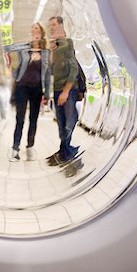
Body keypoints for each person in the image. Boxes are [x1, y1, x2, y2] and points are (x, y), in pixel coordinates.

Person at [6, 22, 50, 161]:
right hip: (22, 86)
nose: (33, 31)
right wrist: (4, 50)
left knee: (34, 119)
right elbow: (8, 47)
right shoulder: (25, 48)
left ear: (41, 32)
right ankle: (15, 148)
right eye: (32, 29)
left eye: (36, 28)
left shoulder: (46, 52)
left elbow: (47, 74)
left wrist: (47, 93)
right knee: (20, 118)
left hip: (37, 89)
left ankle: (30, 147)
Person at [47, 16, 79, 165]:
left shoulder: (68, 43)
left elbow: (74, 68)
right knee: (61, 122)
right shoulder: (55, 47)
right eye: (50, 25)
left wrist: (66, 91)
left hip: (68, 89)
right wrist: (51, 53)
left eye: (54, 24)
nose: (52, 27)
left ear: (61, 25)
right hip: (57, 89)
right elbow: (52, 71)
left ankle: (66, 152)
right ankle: (64, 150)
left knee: (69, 120)